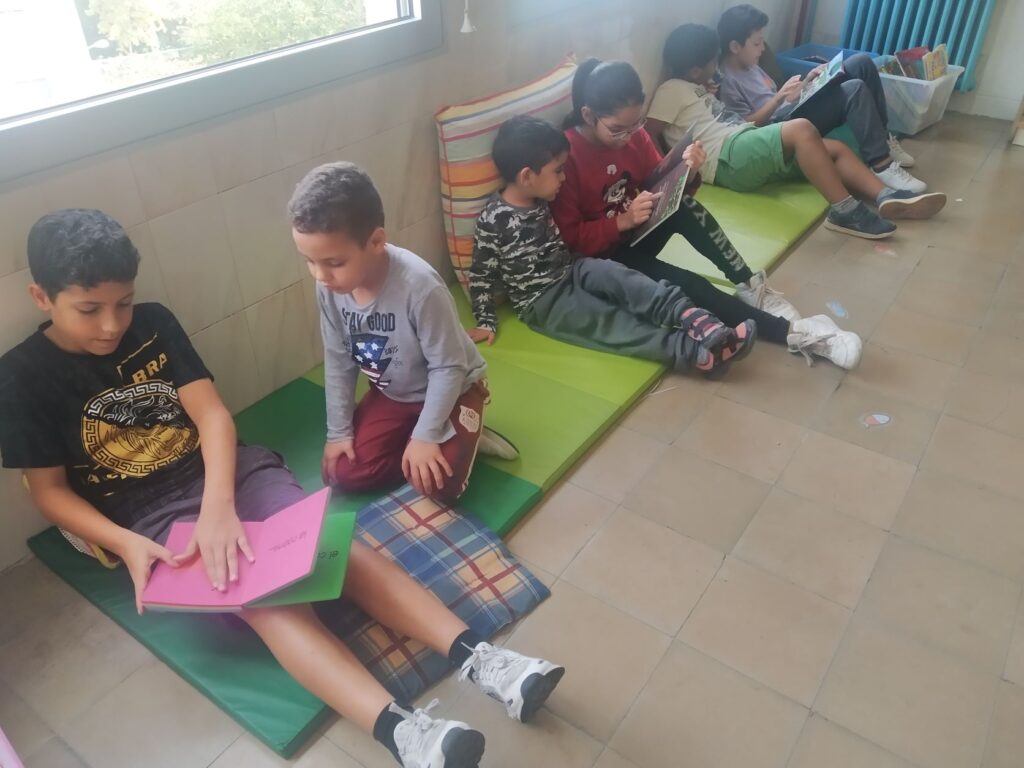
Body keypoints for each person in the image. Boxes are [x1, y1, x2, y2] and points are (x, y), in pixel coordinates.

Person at [0, 208, 564, 768]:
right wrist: (127, 545)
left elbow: (212, 418)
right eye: (89, 310)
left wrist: (219, 507)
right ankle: (404, 733)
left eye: (122, 303)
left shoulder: (152, 323)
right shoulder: (21, 376)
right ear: (41, 297)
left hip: (229, 472)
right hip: (151, 517)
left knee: (325, 548)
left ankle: (484, 660)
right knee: (264, 600)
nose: (111, 325)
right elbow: (48, 493)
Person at [551, 59, 863, 369]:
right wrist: (621, 221)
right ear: (589, 116)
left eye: (635, 126)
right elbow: (570, 240)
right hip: (606, 261)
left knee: (686, 209)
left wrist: (687, 172)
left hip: (635, 232)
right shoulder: (567, 156)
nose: (628, 137)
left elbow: (657, 185)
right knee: (688, 284)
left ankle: (748, 284)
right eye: (617, 130)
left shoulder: (634, 135)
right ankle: (795, 333)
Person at [291, 162, 517, 504]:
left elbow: (449, 367)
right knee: (342, 472)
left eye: (334, 263)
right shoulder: (329, 288)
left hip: (455, 388)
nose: (320, 276)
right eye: (309, 261)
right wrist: (339, 432)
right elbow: (338, 361)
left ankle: (463, 429)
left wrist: (426, 436)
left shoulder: (420, 287)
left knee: (438, 485)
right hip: (394, 394)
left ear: (376, 241)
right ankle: (436, 440)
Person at [469, 115, 756, 377]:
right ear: (526, 177)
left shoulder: (541, 199)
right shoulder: (493, 220)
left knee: (625, 279)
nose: (563, 178)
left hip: (574, 268)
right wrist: (485, 320)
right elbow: (481, 274)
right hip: (543, 301)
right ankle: (697, 354)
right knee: (611, 323)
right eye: (558, 171)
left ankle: (696, 320)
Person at [646, 25, 947, 239]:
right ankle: (844, 211)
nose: (717, 66)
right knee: (802, 129)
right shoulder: (671, 89)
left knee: (833, 149)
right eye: (713, 61)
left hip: (744, 142)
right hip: (728, 156)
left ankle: (886, 196)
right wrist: (673, 179)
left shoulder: (698, 88)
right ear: (695, 69)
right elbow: (650, 134)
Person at [716, 4, 923, 192]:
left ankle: (884, 140)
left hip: (790, 110)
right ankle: (881, 165)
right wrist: (778, 98)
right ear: (735, 47)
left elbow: (785, 99)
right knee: (854, 89)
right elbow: (746, 126)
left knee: (862, 63)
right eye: (757, 43)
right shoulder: (728, 81)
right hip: (779, 130)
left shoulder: (750, 65)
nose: (762, 48)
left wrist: (808, 82)